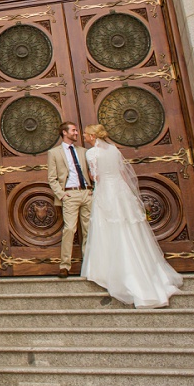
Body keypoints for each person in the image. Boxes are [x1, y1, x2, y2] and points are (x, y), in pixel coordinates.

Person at [81, 123, 183, 308]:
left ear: (93, 137)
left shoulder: (91, 153)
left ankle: (111, 271)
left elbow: (96, 177)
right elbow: (123, 173)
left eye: (86, 134)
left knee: (109, 227)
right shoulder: (113, 150)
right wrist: (130, 195)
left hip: (106, 193)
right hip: (121, 191)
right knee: (129, 227)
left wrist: (91, 176)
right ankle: (145, 269)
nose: (84, 136)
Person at [46, 121, 93, 278]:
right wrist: (62, 194)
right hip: (70, 195)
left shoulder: (83, 151)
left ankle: (89, 265)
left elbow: (91, 171)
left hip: (87, 193)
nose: (77, 133)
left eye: (77, 130)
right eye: (73, 130)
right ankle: (64, 265)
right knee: (70, 229)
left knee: (89, 231)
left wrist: (93, 188)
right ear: (64, 133)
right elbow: (52, 178)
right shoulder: (54, 153)